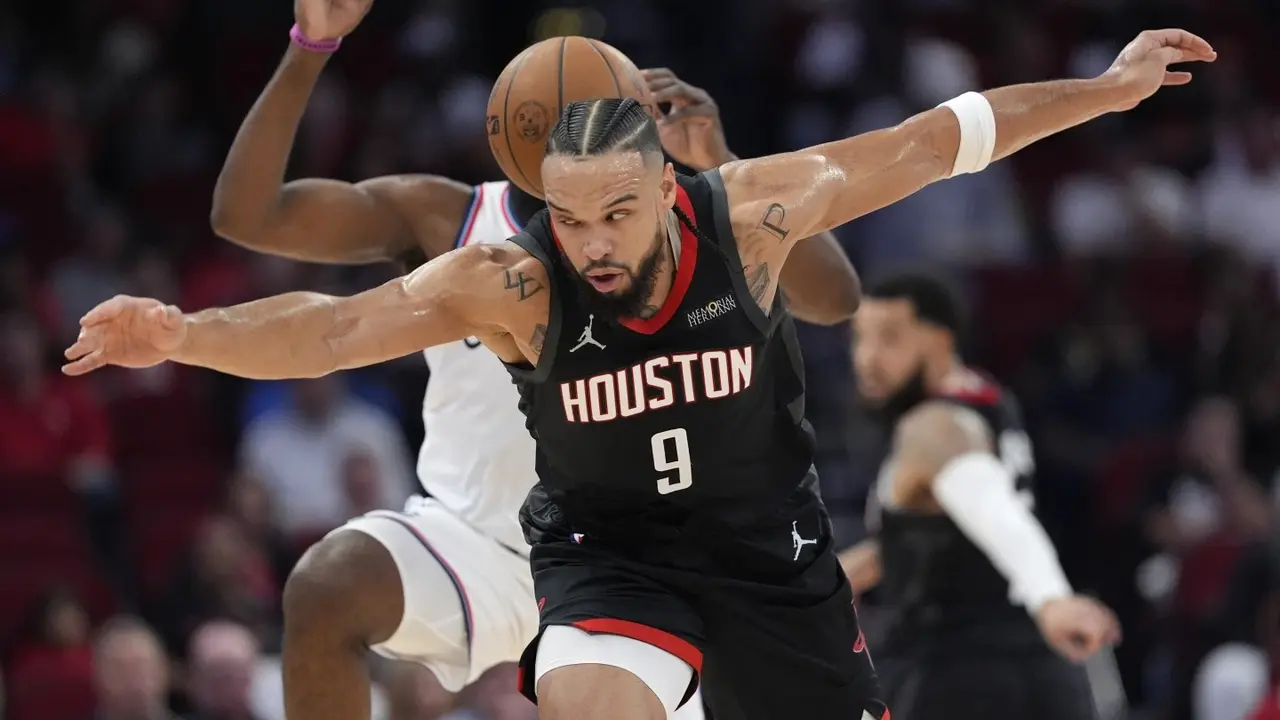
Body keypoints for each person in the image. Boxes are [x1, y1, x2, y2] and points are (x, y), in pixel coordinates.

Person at [64, 28, 1214, 720]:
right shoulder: (511, 279)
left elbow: (931, 139)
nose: (592, 244)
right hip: (603, 555)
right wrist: (180, 333)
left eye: (615, 214)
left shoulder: (747, 214)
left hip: (763, 554)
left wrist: (1103, 90)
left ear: (665, 187)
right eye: (567, 220)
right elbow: (330, 332)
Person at [202, 3, 857, 718]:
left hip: (645, 564)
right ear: (511, 128)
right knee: (327, 587)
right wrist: (311, 45)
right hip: (479, 546)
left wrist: (718, 157)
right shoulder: (446, 219)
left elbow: (835, 298)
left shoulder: (698, 220)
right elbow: (246, 215)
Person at [838, 273, 1121, 720]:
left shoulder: (934, 426)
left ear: (939, 341)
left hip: (952, 671)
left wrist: (1051, 598)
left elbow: (990, 507)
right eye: (859, 338)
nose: (867, 358)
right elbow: (947, 534)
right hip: (1044, 668)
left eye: (889, 338)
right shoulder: (991, 402)